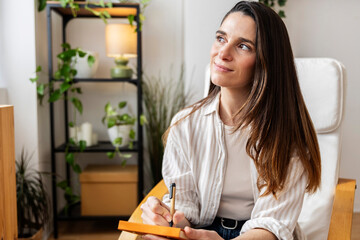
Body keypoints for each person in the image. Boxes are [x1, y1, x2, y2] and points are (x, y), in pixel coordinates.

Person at [140, 1, 321, 240]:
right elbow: (185, 208)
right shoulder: (185, 125)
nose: (222, 54)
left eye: (243, 46)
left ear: (267, 61)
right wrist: (170, 219)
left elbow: (272, 225)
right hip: (203, 229)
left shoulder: (288, 137)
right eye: (221, 38)